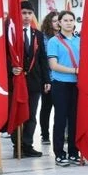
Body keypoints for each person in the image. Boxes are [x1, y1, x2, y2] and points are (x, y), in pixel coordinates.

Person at [8, 2, 48, 159]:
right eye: (23, 13)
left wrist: (47, 80)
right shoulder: (10, 33)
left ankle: (27, 144)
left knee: (31, 115)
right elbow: (4, 56)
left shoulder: (37, 34)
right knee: (17, 112)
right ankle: (17, 145)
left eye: (29, 13)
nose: (26, 16)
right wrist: (10, 68)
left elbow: (42, 59)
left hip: (34, 81)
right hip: (16, 80)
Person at [46, 10, 82, 167]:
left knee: (75, 119)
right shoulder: (54, 41)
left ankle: (74, 152)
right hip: (60, 84)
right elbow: (53, 65)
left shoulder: (79, 40)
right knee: (60, 119)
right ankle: (59, 153)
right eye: (65, 20)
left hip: (78, 85)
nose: (68, 22)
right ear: (59, 23)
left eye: (71, 20)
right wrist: (74, 71)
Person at [38, 11, 57, 144]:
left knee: (62, 109)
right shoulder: (44, 37)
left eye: (58, 20)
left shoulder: (66, 36)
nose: (57, 23)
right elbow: (44, 58)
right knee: (46, 107)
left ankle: (65, 133)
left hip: (63, 77)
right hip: (48, 77)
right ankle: (45, 134)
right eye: (54, 21)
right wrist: (47, 79)